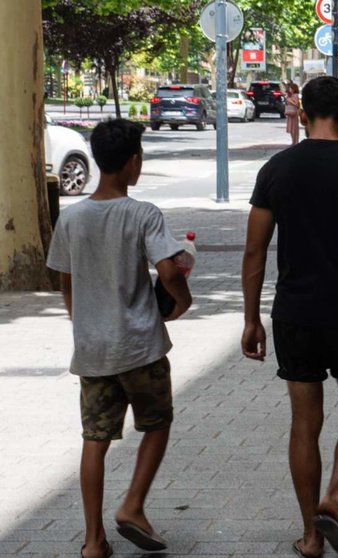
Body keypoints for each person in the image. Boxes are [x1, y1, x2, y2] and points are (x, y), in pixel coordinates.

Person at [241, 76, 338, 558]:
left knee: (304, 424)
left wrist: (252, 319)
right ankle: (333, 498)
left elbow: (254, 251)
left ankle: (311, 537)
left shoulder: (276, 169)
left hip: (293, 315)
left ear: (303, 114)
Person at [46, 119, 192, 558]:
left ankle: (93, 542)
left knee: (95, 440)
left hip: (93, 352)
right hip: (140, 346)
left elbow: (66, 283)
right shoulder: (143, 213)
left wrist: (82, 325)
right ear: (133, 163)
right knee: (157, 423)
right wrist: (182, 301)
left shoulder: (71, 219)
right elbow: (168, 270)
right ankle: (132, 505)